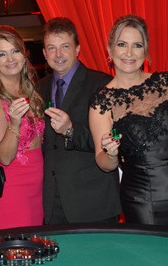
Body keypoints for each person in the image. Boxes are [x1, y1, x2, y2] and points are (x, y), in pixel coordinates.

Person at [89, 15, 168, 225]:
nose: (129, 53)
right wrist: (111, 154)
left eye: (137, 45)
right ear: (110, 50)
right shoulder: (102, 102)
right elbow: (104, 163)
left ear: (145, 50)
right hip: (142, 203)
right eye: (122, 44)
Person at [40, 17, 121, 224]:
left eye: (65, 47)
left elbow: (112, 141)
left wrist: (70, 129)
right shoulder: (38, 88)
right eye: (51, 48)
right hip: (52, 203)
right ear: (44, 53)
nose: (58, 55)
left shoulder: (102, 84)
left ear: (77, 49)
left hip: (93, 202)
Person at [0, 25, 45, 229]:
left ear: (24, 55)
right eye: (2, 54)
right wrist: (15, 124)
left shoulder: (32, 91)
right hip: (13, 187)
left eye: (15, 51)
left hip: (38, 186)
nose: (10, 59)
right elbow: (4, 157)